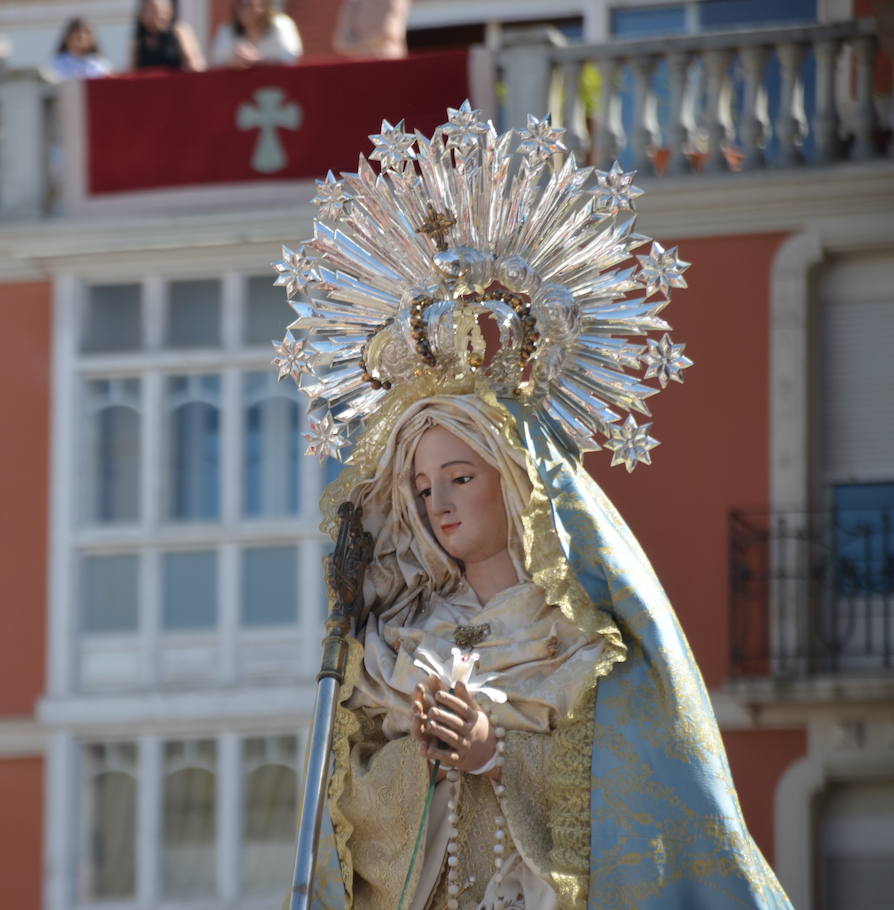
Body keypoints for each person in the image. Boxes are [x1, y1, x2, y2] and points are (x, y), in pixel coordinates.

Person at [277, 104, 793, 910]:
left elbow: (636, 803)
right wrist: (418, 755)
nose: (438, 504)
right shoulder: (390, 644)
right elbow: (355, 826)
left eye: (459, 477)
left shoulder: (587, 641)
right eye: (420, 489)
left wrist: (493, 755)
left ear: (514, 482)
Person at [210, 0, 302, 69]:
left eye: (248, 4)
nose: (243, 9)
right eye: (239, 3)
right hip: (237, 88)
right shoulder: (227, 31)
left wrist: (258, 60)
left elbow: (290, 56)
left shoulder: (282, 25)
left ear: (263, 5)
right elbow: (217, 61)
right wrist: (233, 63)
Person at [130, 0, 205, 72]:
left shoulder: (179, 31)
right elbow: (133, 69)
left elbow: (196, 65)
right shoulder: (139, 40)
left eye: (159, 11)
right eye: (151, 10)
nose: (157, 16)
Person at [332, 0, 409, 60]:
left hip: (385, 58)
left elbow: (386, 32)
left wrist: (359, 43)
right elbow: (341, 42)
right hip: (358, 63)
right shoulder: (353, 3)